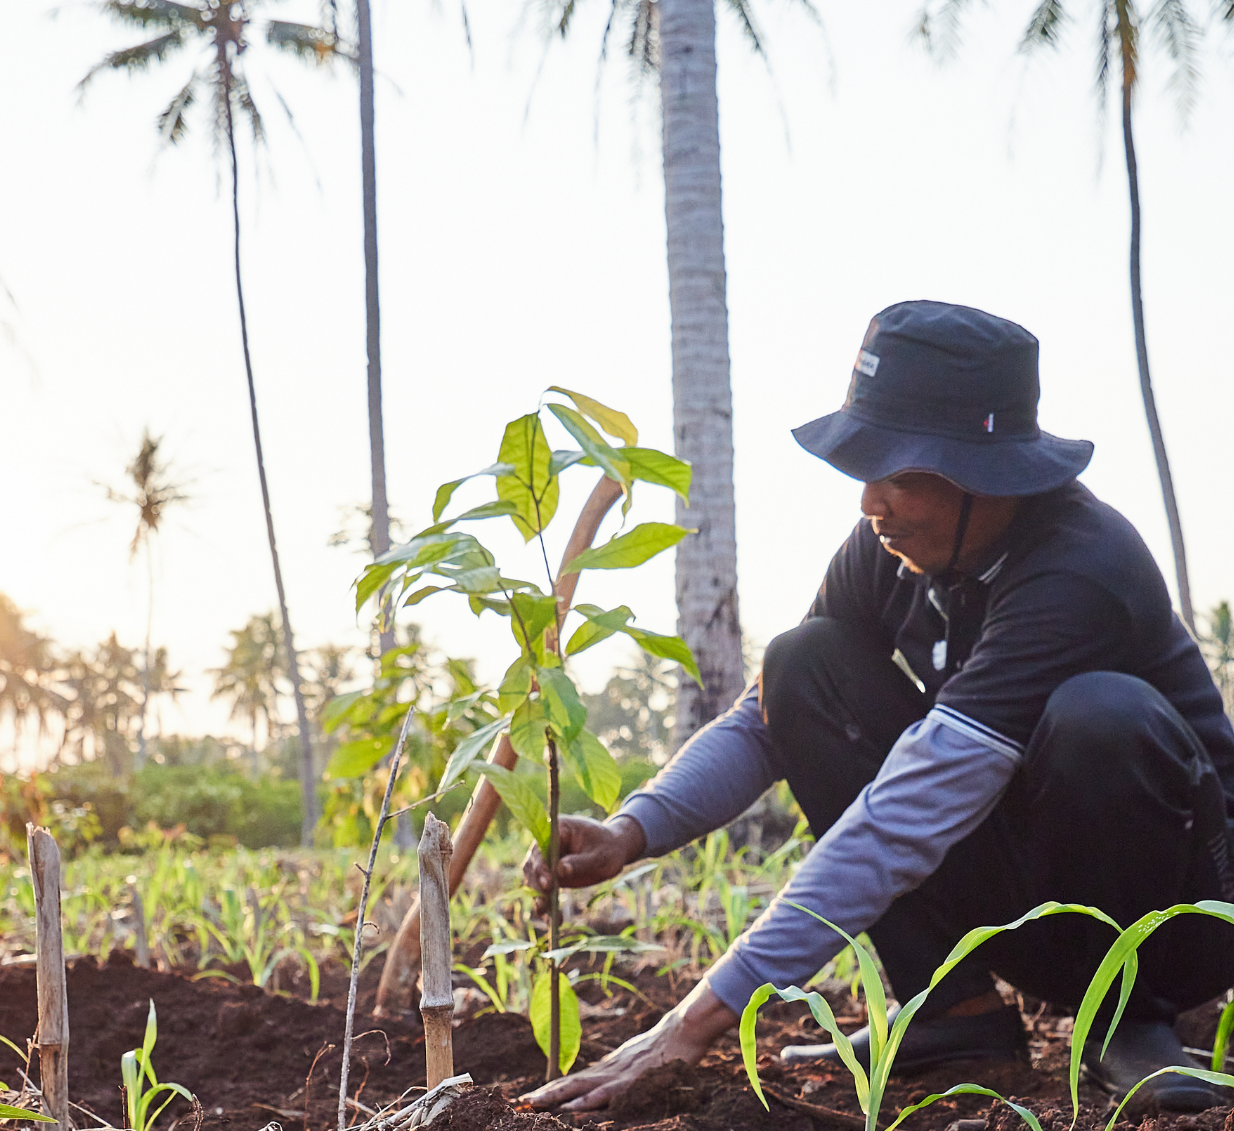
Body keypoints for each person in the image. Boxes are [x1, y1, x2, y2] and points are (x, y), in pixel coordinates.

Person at [524, 300, 1234, 1115]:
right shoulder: (892, 550)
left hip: (1187, 913)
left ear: (982, 472)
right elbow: (765, 720)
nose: (871, 502)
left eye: (896, 474)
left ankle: (1130, 1022)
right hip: (1032, 905)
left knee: (1099, 716)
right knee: (803, 662)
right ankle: (951, 1012)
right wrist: (632, 831)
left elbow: (912, 809)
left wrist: (697, 1020)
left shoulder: (1080, 567)